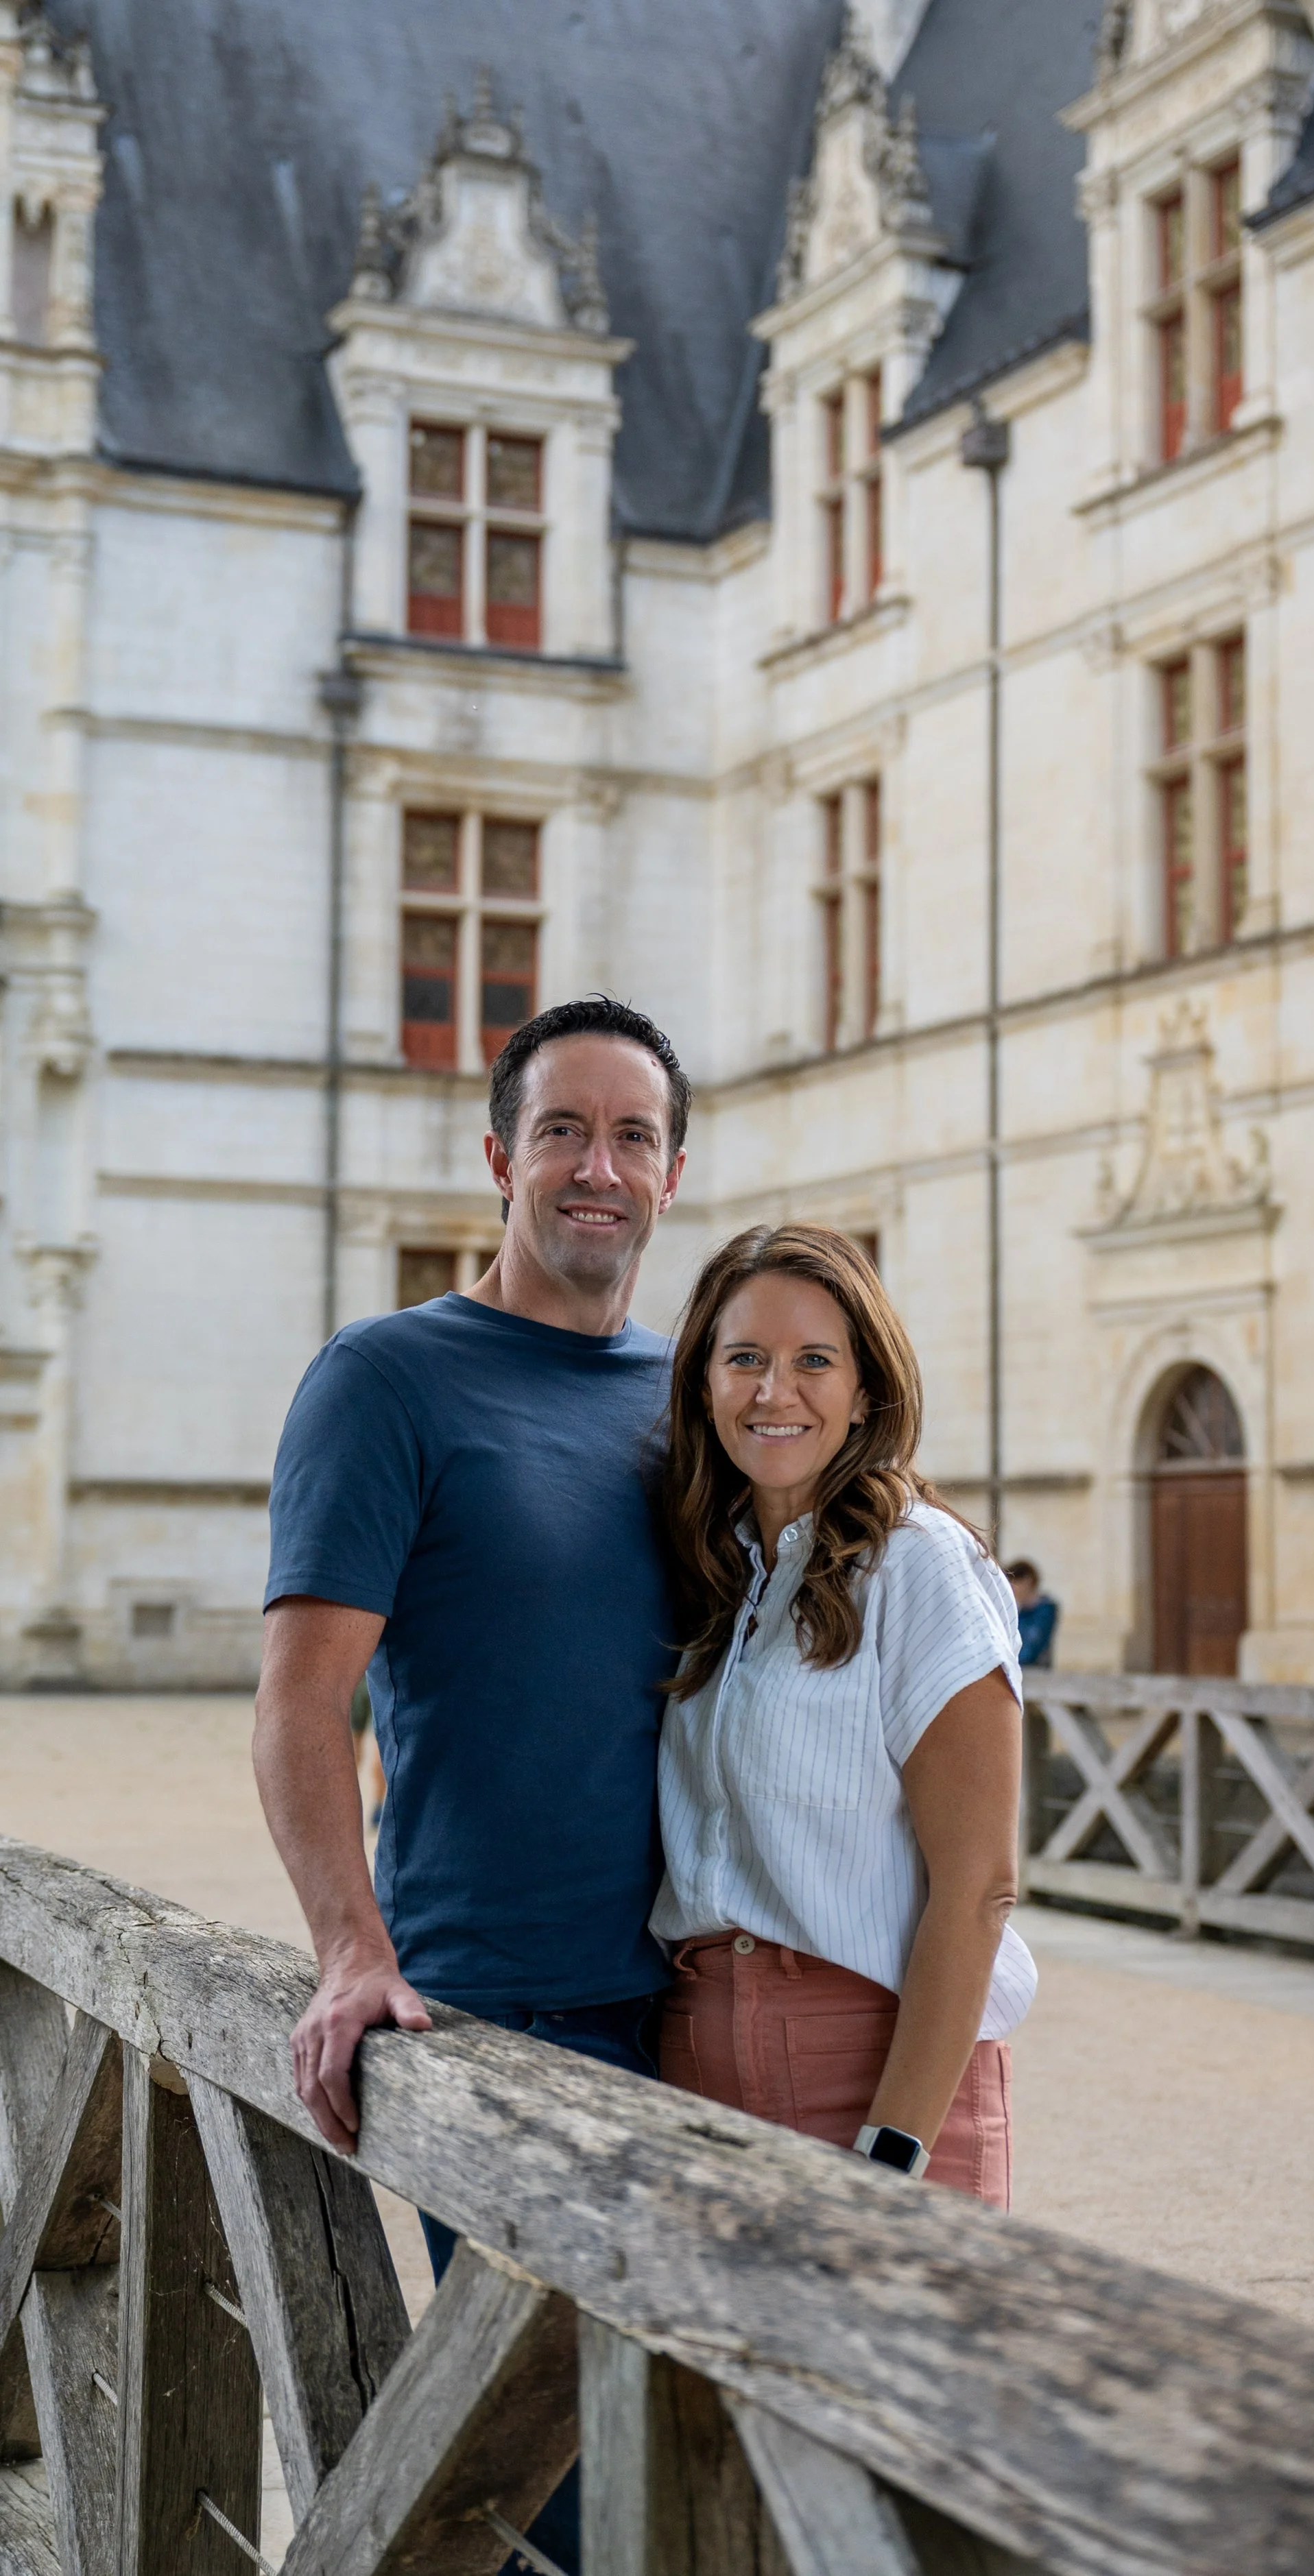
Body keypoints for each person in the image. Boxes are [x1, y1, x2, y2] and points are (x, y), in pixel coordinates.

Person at [254, 994, 689, 2576]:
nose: (597, 1166)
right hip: (500, 2012)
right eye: (562, 1130)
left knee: (692, 2473)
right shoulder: (387, 1378)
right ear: (500, 1157)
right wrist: (348, 1949)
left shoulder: (699, 1393)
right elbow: (301, 1699)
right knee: (553, 2492)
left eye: (631, 1136)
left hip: (706, 2012)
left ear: (673, 1173)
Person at [650, 1224, 1034, 2206]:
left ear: (867, 1390)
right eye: (745, 1359)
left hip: (878, 2076)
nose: (774, 1391)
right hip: (697, 2075)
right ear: (704, 1384)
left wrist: (893, 2149)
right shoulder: (718, 1577)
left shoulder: (921, 1563)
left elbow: (979, 1887)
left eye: (814, 1361)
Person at [1006, 1561, 1059, 1669]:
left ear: (1027, 1582)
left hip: (1036, 1669)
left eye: (1015, 1583)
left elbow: (1032, 1647)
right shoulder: (1018, 1612)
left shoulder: (1045, 1610)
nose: (1012, 1590)